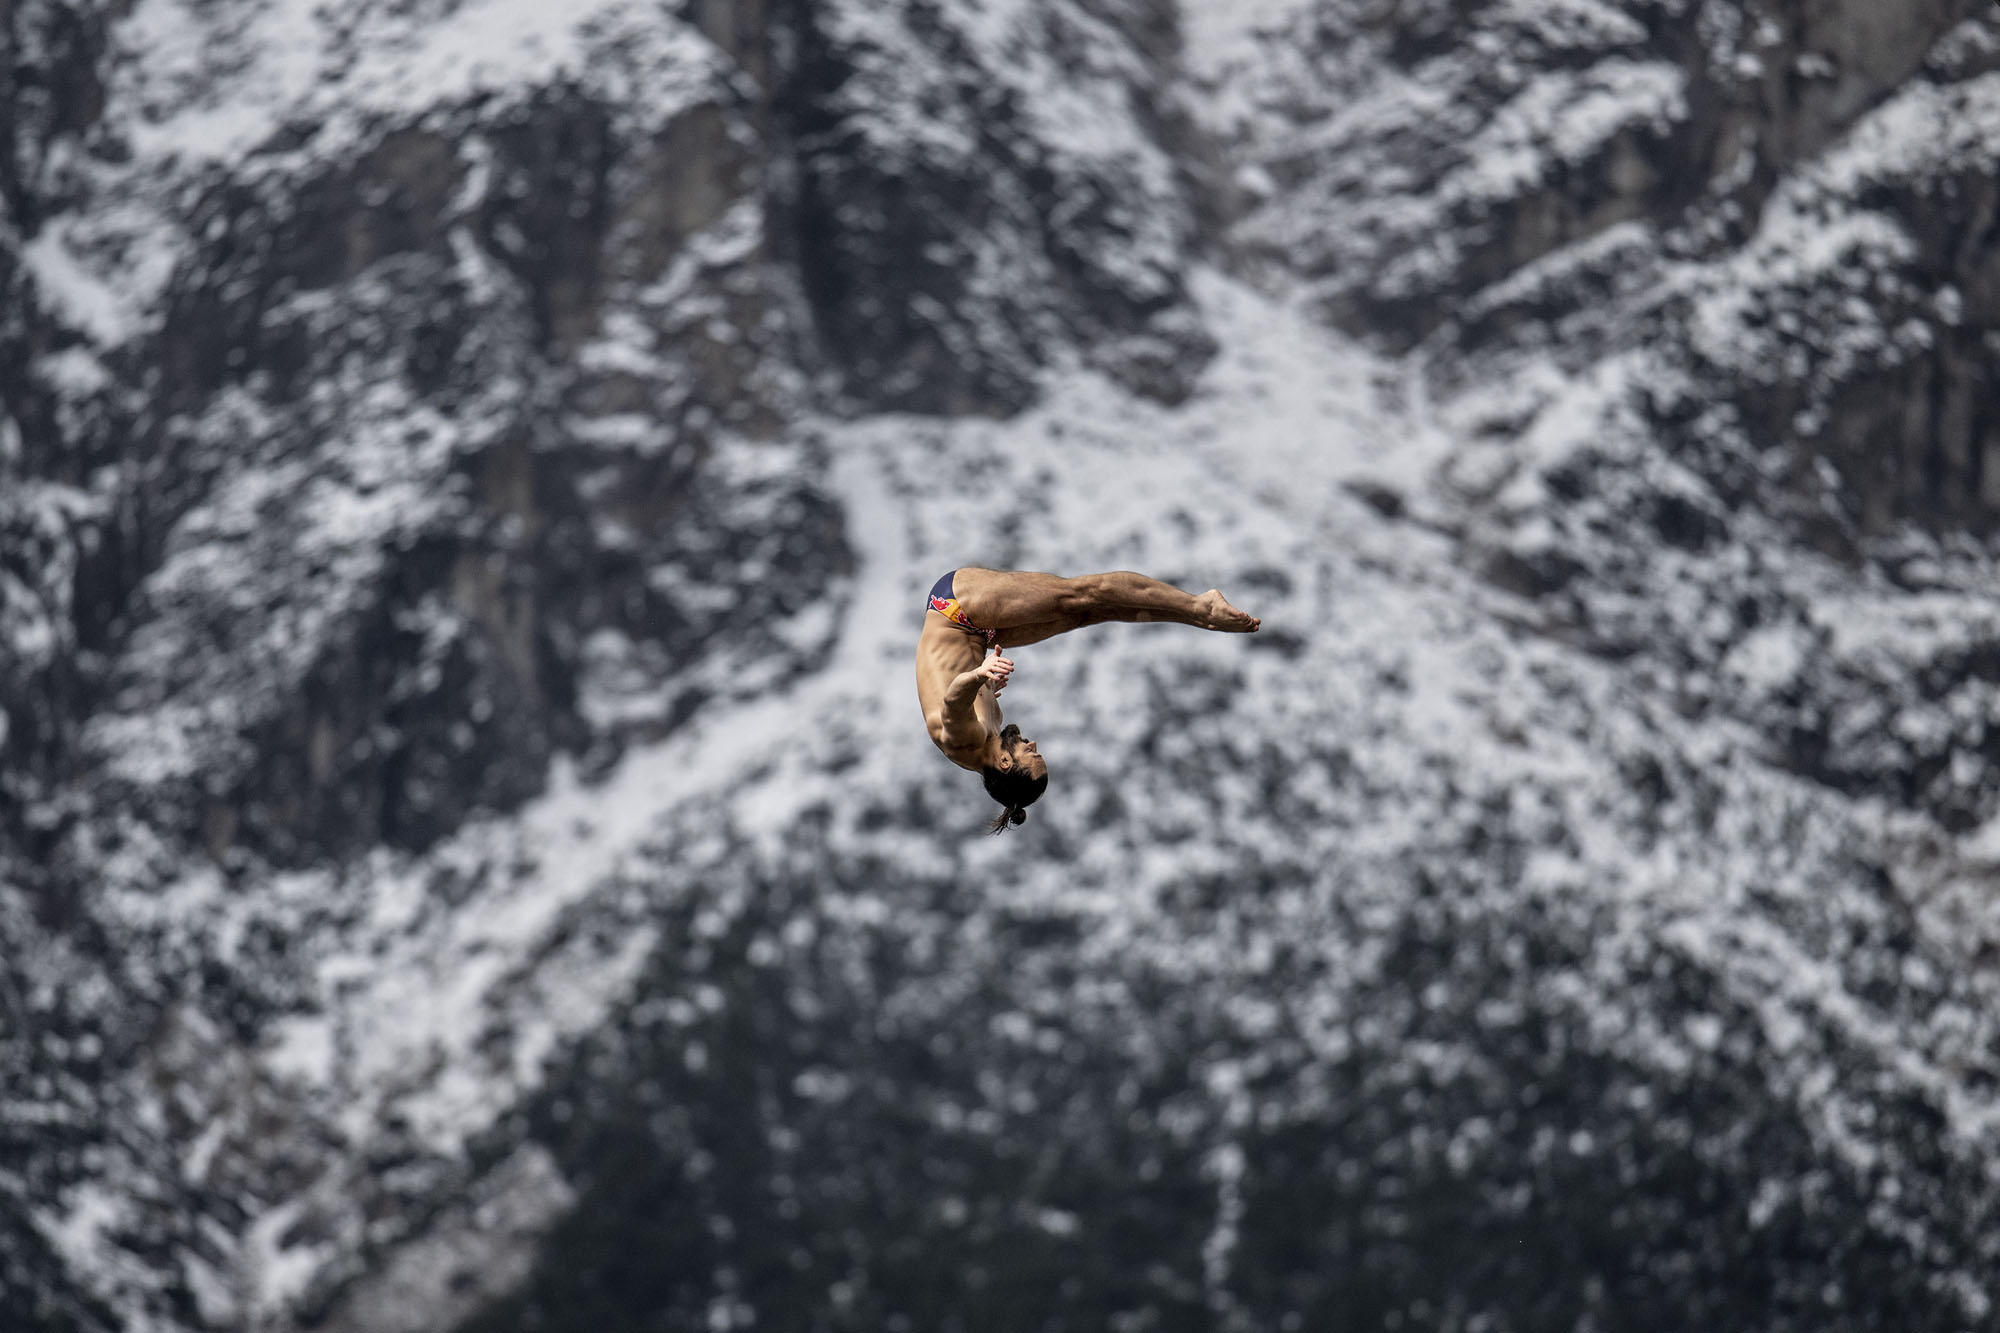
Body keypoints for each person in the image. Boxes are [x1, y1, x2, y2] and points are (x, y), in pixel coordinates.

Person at [915, 567, 1261, 833]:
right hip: (978, 631)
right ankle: (1197, 617)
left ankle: (1200, 604)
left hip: (957, 608)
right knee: (1085, 614)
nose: (1032, 743)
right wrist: (988, 682)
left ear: (1005, 764)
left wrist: (980, 674)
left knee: (1078, 595)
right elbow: (961, 684)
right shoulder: (990, 736)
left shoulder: (966, 743)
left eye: (1030, 753)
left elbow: (952, 702)